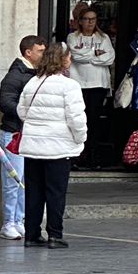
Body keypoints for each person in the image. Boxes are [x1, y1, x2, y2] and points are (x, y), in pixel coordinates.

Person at [17, 44, 86, 249]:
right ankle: (55, 234)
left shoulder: (32, 83)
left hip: (33, 146)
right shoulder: (69, 86)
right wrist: (80, 138)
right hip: (58, 147)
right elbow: (76, 118)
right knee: (55, 192)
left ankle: (31, 233)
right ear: (63, 60)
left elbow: (22, 111)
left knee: (34, 192)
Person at [0, 35, 45, 240]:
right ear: (28, 53)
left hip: (27, 133)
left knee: (25, 180)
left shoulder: (35, 75)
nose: (43, 54)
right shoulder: (15, 76)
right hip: (14, 132)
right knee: (13, 179)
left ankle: (19, 219)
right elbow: (6, 103)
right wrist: (27, 112)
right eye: (40, 51)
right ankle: (9, 221)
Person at [67, 3, 115, 166]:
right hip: (78, 83)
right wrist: (96, 54)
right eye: (86, 19)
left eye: (93, 19)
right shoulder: (73, 37)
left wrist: (87, 56)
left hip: (98, 84)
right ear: (80, 21)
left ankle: (93, 156)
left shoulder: (104, 38)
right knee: (80, 119)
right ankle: (78, 155)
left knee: (94, 120)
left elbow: (110, 58)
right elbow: (75, 56)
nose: (90, 23)